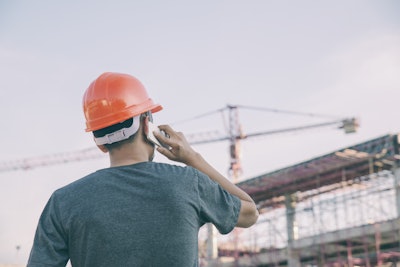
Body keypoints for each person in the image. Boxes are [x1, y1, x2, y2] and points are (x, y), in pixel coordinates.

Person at [27, 72, 259, 267]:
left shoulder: (63, 202)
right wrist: (193, 158)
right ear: (146, 123)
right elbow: (250, 212)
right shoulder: (188, 183)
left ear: (98, 140)